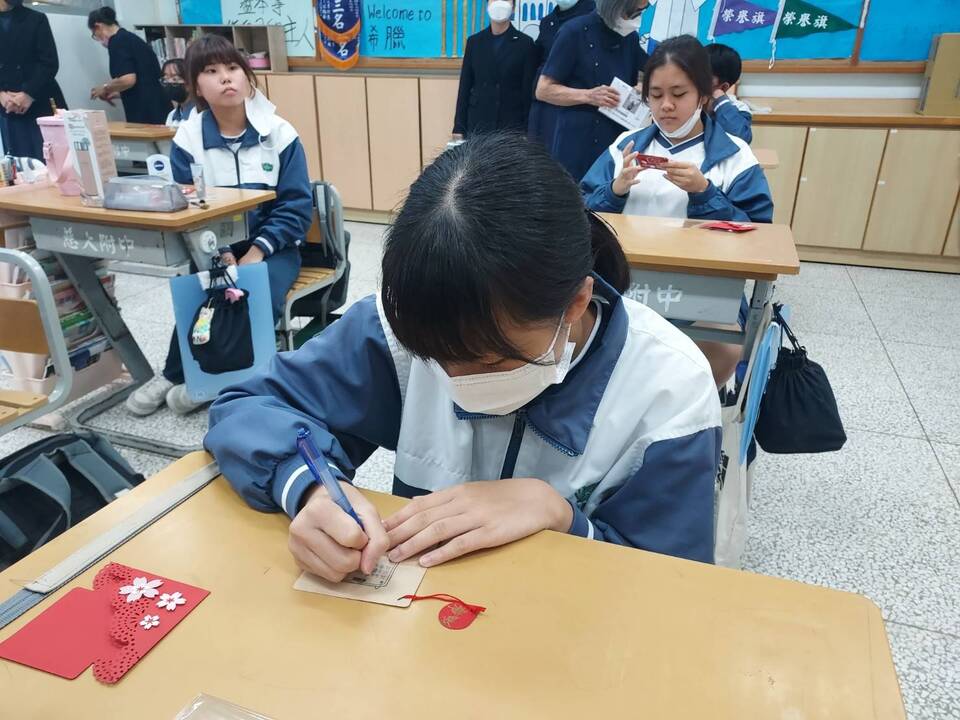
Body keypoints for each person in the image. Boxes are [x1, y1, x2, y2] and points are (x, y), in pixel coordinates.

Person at [204, 132, 722, 584]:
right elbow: (249, 408)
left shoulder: (667, 389)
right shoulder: (406, 326)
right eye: (437, 359)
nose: (456, 381)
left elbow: (674, 587)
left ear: (576, 303)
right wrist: (313, 490)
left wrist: (565, 519)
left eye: (490, 362)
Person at [125, 35, 311, 417]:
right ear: (196, 86)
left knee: (253, 290)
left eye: (233, 68)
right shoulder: (188, 138)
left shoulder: (279, 133)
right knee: (201, 291)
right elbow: (189, 207)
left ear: (247, 76)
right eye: (211, 71)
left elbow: (296, 206)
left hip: (274, 249)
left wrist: (256, 251)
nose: (226, 78)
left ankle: (224, 385)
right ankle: (175, 373)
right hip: (211, 247)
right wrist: (221, 254)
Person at [580, 35, 772, 386]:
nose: (666, 106)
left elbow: (759, 237)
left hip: (703, 293)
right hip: (626, 287)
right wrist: (614, 192)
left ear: (703, 94)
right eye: (655, 95)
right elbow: (580, 216)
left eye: (679, 94)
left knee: (721, 347)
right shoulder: (624, 147)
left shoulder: (735, 157)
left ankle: (691, 406)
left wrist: (704, 193)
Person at [535, 0, 650, 182]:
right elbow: (543, 89)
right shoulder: (573, 32)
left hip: (616, 138)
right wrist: (588, 95)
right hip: (577, 140)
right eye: (632, 13)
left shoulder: (630, 38)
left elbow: (651, 69)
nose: (635, 19)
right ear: (614, 6)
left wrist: (645, 86)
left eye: (640, 12)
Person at [452, 1, 537, 140]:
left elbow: (527, 92)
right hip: (478, 123)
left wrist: (528, 131)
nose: (499, 3)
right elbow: (465, 87)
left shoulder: (525, 43)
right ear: (487, 6)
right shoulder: (474, 42)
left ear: (513, 8)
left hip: (511, 126)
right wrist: (458, 127)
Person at [0, 0, 66, 160]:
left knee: (54, 162)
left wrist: (29, 93)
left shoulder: (36, 19)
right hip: (8, 108)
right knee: (20, 165)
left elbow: (49, 63)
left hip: (41, 102)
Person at [527, 0, 595, 147]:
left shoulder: (594, 18)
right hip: (542, 103)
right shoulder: (548, 22)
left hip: (575, 105)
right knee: (537, 155)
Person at [87, 6, 169, 125]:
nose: (98, 39)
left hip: (146, 114)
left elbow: (128, 79)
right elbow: (143, 80)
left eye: (95, 35)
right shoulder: (130, 38)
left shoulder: (117, 42)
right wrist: (118, 93)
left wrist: (104, 88)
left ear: (98, 26)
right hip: (160, 106)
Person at [706, 43, 752, 144]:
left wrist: (720, 102)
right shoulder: (689, 101)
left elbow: (741, 138)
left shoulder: (738, 108)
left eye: (704, 77)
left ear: (723, 87)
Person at [160, 58, 194, 127]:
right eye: (165, 79)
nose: (169, 82)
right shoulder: (171, 115)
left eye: (174, 79)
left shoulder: (200, 114)